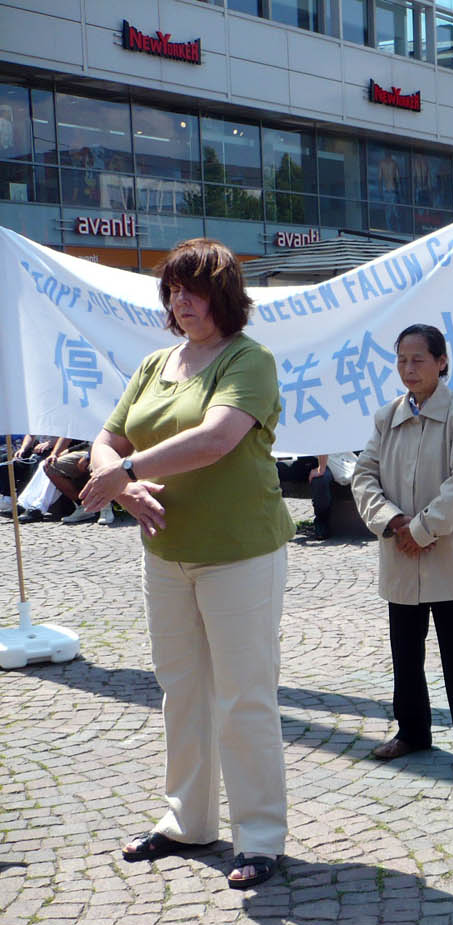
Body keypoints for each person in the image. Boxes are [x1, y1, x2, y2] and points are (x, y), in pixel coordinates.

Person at [79, 237, 293, 891]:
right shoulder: (154, 364)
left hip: (239, 552)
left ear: (223, 296)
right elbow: (105, 439)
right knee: (181, 692)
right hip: (166, 552)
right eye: (172, 290)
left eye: (193, 289)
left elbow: (217, 438)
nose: (181, 301)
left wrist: (125, 472)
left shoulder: (248, 358)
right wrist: (119, 480)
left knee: (244, 696)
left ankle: (259, 836)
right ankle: (187, 822)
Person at [350, 324, 453, 771]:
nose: (408, 368)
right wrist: (394, 522)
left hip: (449, 556)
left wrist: (423, 528)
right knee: (405, 654)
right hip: (400, 553)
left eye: (418, 359)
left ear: (441, 361)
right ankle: (411, 731)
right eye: (401, 360)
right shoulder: (387, 416)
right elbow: (363, 476)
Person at [275, 455, 334, 540]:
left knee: (320, 480)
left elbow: (324, 448)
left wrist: (321, 468)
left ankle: (322, 523)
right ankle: (272, 523)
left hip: (328, 463)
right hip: (303, 463)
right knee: (272, 470)